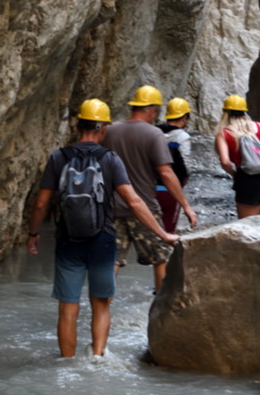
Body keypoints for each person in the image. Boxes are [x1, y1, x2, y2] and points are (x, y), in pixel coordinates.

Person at [27, 98, 179, 358]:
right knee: (100, 305)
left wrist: (33, 234)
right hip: (103, 239)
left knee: (67, 307)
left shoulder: (58, 158)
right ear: (103, 129)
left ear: (77, 126)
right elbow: (134, 201)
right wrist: (162, 233)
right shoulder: (110, 159)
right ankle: (97, 358)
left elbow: (41, 203)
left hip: (68, 240)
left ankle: (67, 361)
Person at [103, 85, 198, 291]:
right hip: (144, 208)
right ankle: (161, 307)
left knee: (113, 260)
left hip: (112, 208)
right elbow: (166, 173)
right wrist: (186, 206)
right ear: (153, 110)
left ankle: (103, 306)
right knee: (161, 257)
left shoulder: (109, 131)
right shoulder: (153, 134)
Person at [156, 97, 193, 233]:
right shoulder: (182, 137)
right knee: (167, 231)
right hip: (171, 189)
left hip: (148, 188)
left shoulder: (155, 132)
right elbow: (185, 165)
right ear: (184, 117)